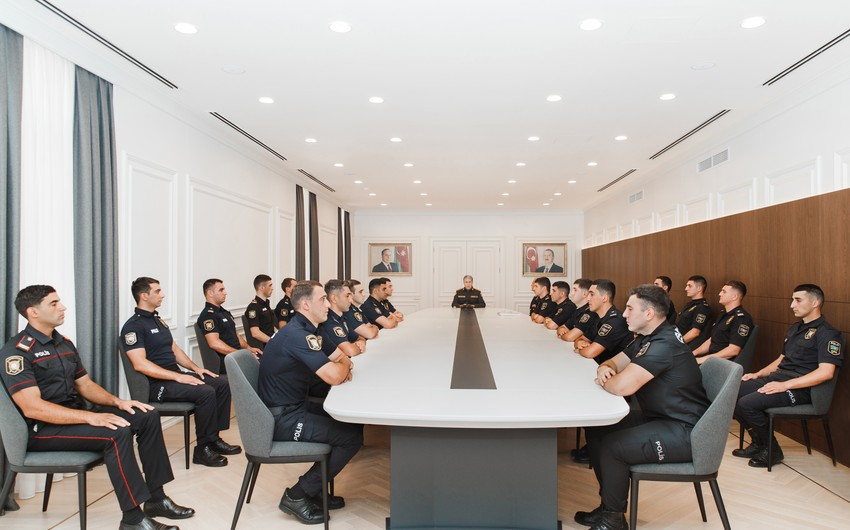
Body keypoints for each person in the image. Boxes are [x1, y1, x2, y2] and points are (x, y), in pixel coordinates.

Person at [1, 285, 194, 530]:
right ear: (33, 312)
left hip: (75, 416)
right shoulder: (17, 352)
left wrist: (118, 402)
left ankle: (157, 499)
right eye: (54, 303)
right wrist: (90, 418)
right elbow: (33, 408)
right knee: (117, 434)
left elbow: (85, 385)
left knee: (146, 414)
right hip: (44, 429)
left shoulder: (63, 343)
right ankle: (133, 519)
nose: (63, 307)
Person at [574, 285, 710, 530]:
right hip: (661, 417)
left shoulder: (664, 344)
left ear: (648, 314)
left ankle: (614, 520)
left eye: (629, 309)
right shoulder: (649, 337)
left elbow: (622, 387)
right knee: (597, 429)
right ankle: (608, 506)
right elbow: (614, 362)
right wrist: (605, 369)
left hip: (686, 431)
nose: (624, 314)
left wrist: (606, 378)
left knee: (614, 446)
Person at [259, 281, 363, 525]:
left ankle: (315, 489)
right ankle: (298, 494)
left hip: (295, 407)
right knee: (350, 438)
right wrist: (343, 367)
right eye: (322, 300)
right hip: (281, 418)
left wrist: (342, 365)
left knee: (351, 425)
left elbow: (342, 357)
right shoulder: (297, 335)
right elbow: (335, 374)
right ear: (306, 305)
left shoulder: (312, 329)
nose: (328, 304)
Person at [121, 277, 240, 469]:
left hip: (173, 377)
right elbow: (140, 364)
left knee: (220, 383)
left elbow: (174, 349)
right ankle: (202, 449)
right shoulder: (133, 327)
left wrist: (195, 368)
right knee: (205, 391)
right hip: (156, 385)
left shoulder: (158, 321)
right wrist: (178, 376)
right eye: (157, 291)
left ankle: (213, 439)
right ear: (144, 296)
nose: (163, 294)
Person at [733, 284, 844, 468]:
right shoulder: (794, 329)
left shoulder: (828, 334)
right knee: (731, 393)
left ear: (815, 302)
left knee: (747, 403)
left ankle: (773, 451)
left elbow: (826, 372)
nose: (792, 305)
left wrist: (786, 385)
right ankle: (759, 443)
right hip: (778, 379)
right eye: (792, 300)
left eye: (798, 300)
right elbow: (781, 360)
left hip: (801, 388)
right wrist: (758, 374)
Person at [196, 279, 262, 374]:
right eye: (221, 290)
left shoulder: (224, 312)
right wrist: (241, 355)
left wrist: (248, 348)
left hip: (236, 354)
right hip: (226, 360)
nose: (225, 293)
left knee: (266, 359)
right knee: (264, 367)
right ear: (210, 293)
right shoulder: (208, 315)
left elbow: (235, 335)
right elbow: (214, 343)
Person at [692, 280, 754, 364]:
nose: (720, 294)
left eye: (724, 292)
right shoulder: (723, 314)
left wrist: (703, 359)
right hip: (712, 359)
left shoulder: (742, 319)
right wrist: (693, 354)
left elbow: (733, 350)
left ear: (734, 297)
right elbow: (712, 340)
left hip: (723, 364)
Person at [572, 280, 632, 366]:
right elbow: (580, 339)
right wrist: (579, 343)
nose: (588, 298)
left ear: (604, 298)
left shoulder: (616, 321)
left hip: (611, 370)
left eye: (592, 294)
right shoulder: (597, 317)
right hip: (596, 365)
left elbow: (590, 353)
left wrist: (580, 350)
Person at [318, 280, 366, 359]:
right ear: (334, 299)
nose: (351, 300)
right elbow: (350, 351)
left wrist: (361, 342)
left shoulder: (341, 318)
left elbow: (360, 338)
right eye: (347, 296)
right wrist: (359, 346)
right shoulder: (328, 321)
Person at [676, 275, 713, 349]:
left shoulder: (702, 308)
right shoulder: (690, 304)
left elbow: (695, 332)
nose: (686, 289)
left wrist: (677, 344)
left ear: (699, 288)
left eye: (689, 286)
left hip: (685, 346)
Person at [558, 278, 597, 342]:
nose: (571, 293)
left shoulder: (589, 312)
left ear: (585, 294)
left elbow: (569, 337)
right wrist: (561, 330)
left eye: (575, 290)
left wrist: (561, 335)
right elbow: (562, 327)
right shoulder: (578, 310)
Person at [245, 274, 277, 349]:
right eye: (270, 285)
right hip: (266, 345)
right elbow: (255, 333)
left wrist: (281, 335)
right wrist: (274, 342)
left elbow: (270, 326)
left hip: (273, 340)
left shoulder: (265, 303)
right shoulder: (253, 307)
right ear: (262, 288)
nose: (272, 288)